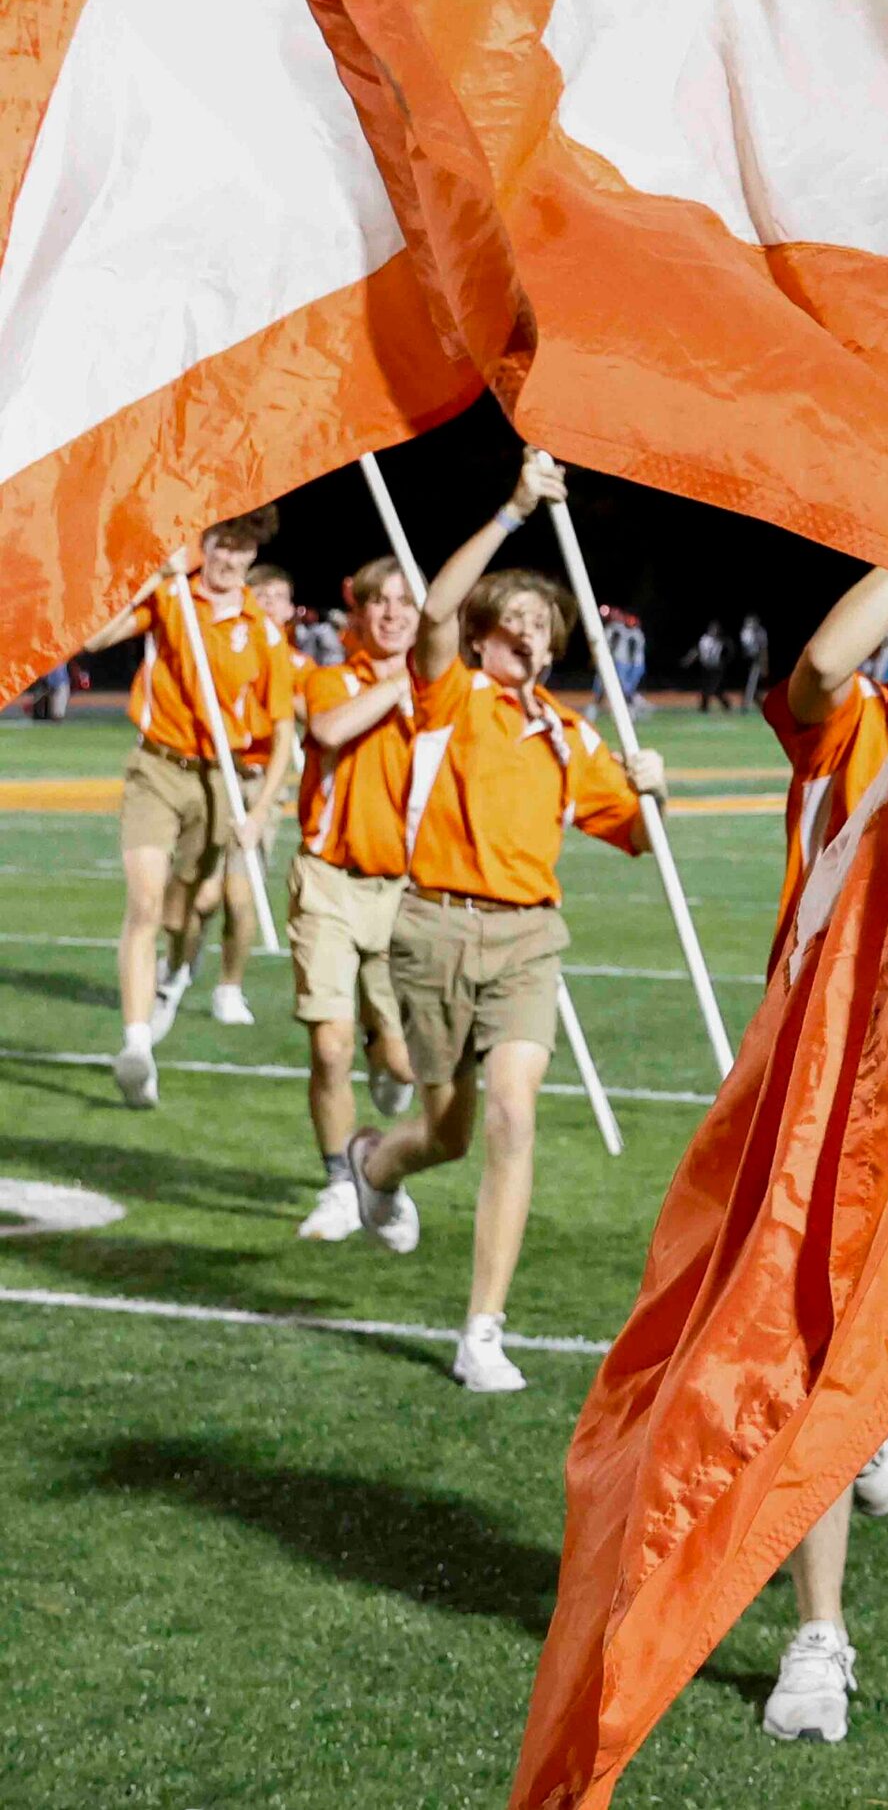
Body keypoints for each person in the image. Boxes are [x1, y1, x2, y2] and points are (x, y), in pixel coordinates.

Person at [344, 454, 666, 1393]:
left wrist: (655, 793)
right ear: (486, 639)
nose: (525, 630)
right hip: (434, 928)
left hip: (529, 937)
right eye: (511, 619)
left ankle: (481, 1328)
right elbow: (435, 610)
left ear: (555, 645)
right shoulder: (451, 698)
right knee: (445, 1131)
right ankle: (377, 1163)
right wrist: (515, 509)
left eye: (540, 621)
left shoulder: (572, 735)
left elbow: (640, 838)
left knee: (514, 1116)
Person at [750, 566, 888, 1745]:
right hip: (820, 1073)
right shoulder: (860, 723)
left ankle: (885, 1403)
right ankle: (818, 1632)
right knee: (808, 1353)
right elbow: (822, 668)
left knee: (880, 1345)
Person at [84, 507, 298, 1108]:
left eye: (241, 549)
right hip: (157, 768)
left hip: (221, 780)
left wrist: (261, 811)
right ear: (204, 545)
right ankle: (135, 1045)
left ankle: (179, 973)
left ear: (255, 555)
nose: (229, 560)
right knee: (146, 902)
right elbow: (95, 637)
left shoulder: (264, 630)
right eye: (220, 546)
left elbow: (282, 732)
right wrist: (154, 576)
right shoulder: (172, 596)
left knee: (190, 906)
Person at [289, 557, 427, 1237]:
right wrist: (403, 680)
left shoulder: (441, 694)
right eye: (381, 602)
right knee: (329, 1048)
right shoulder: (330, 678)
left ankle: (376, 1157)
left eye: (407, 603)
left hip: (406, 890)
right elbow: (330, 730)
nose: (394, 614)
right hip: (329, 880)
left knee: (404, 1064)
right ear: (360, 613)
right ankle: (340, 1183)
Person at [187, 562, 308, 1028]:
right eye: (265, 595)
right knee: (202, 896)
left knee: (241, 895)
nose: (274, 605)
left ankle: (229, 987)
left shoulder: (294, 660)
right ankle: (184, 958)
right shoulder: (223, 646)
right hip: (217, 774)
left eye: (282, 597)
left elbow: (311, 710)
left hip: (262, 780)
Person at [688, 620, 730, 711]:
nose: (714, 631)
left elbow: (728, 652)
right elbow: (697, 650)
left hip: (716, 667)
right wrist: (690, 659)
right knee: (709, 687)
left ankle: (705, 706)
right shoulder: (704, 639)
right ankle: (720, 705)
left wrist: (724, 661)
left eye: (716, 629)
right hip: (705, 667)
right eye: (713, 629)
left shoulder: (721, 640)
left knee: (712, 687)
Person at [739, 612, 771, 708]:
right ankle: (753, 703)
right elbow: (744, 647)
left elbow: (763, 649)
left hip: (756, 658)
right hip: (746, 659)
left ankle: (746, 705)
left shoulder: (761, 632)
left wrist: (764, 664)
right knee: (746, 683)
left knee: (752, 682)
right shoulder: (744, 631)